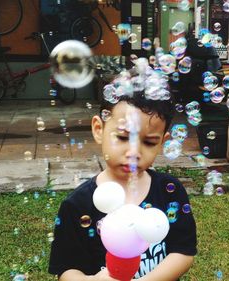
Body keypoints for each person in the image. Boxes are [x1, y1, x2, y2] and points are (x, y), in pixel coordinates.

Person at [48, 67, 197, 280]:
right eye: (123, 137)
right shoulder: (77, 205)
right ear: (99, 129)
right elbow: (67, 270)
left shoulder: (169, 192)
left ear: (162, 142)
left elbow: (182, 252)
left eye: (149, 142)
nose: (134, 152)